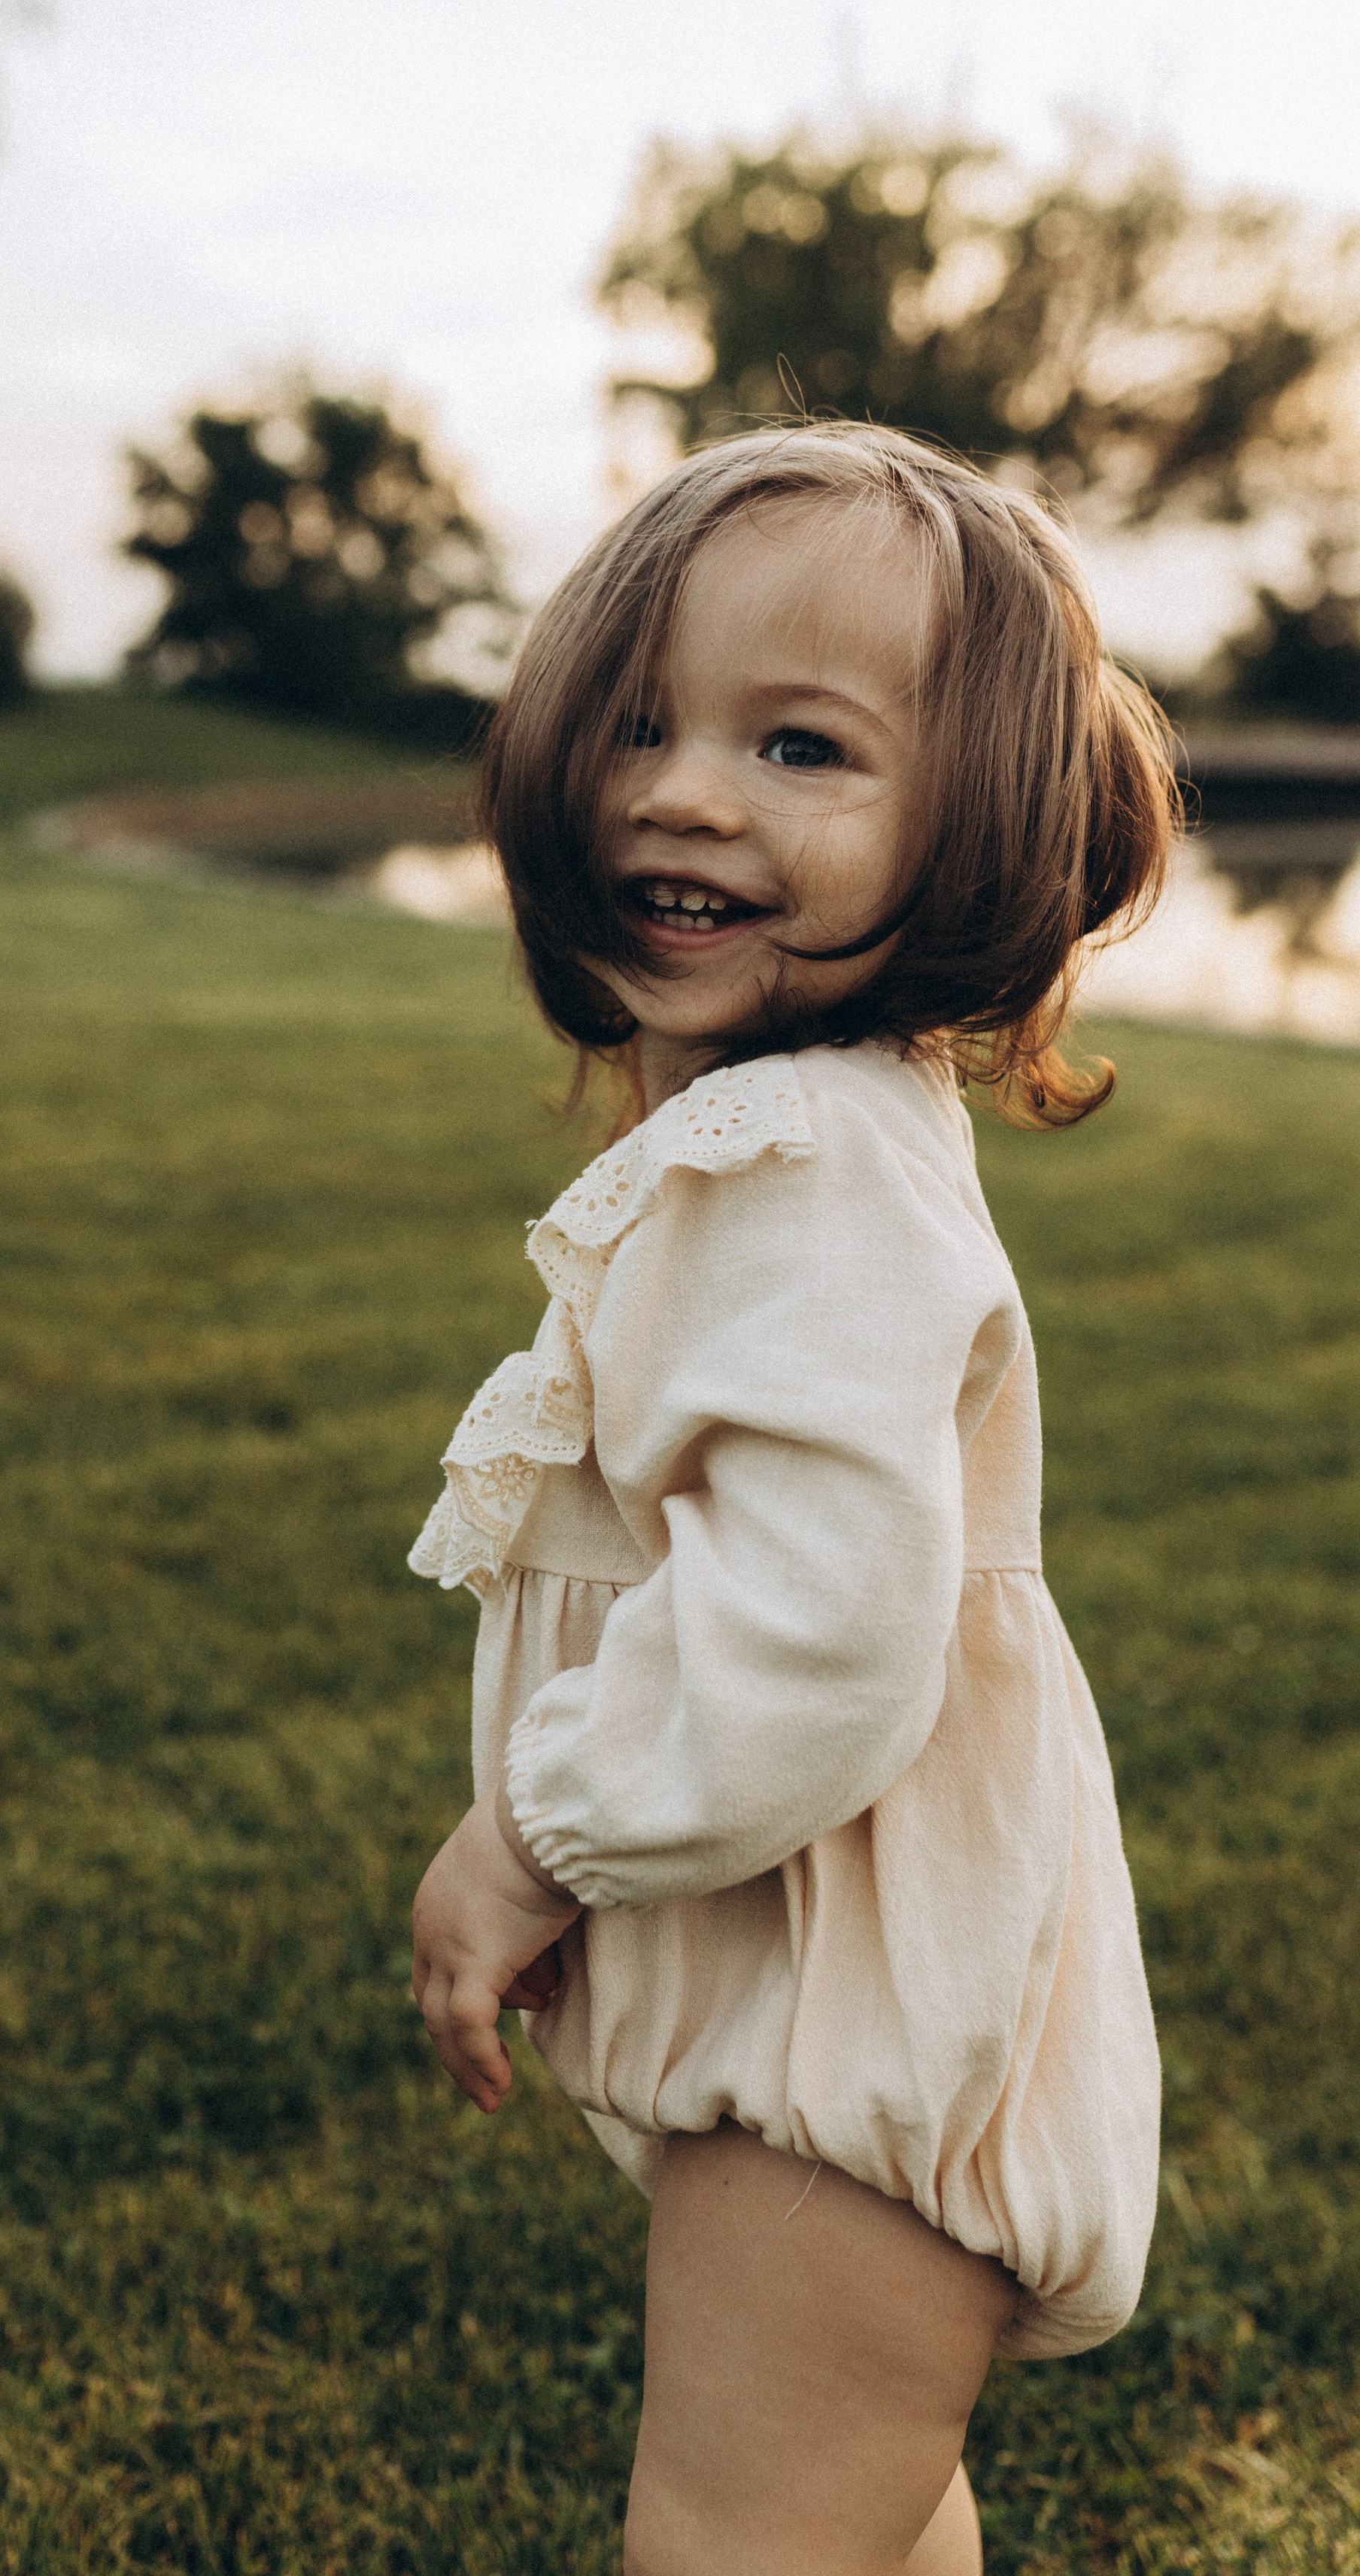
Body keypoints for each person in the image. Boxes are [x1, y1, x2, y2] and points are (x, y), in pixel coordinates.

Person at [408, 427, 1177, 2576]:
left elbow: (826, 1629)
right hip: (836, 1996)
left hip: (844, 2051)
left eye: (802, 746)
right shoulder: (813, 1133)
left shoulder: (812, 1170)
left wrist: (536, 1837)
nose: (683, 787)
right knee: (863, 2520)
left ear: (981, 826)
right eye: (642, 719)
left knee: (736, 2543)